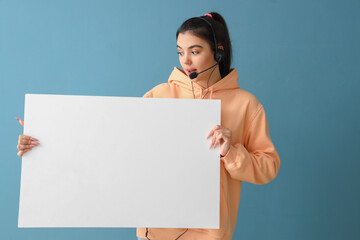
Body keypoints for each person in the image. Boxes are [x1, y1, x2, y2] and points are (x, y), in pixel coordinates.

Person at [17, 12, 280, 240]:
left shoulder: (246, 105)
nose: (185, 60)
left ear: (218, 51)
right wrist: (47, 135)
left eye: (195, 51)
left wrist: (230, 152)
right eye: (180, 52)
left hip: (211, 233)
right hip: (155, 232)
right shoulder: (158, 96)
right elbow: (111, 145)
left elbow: (268, 168)